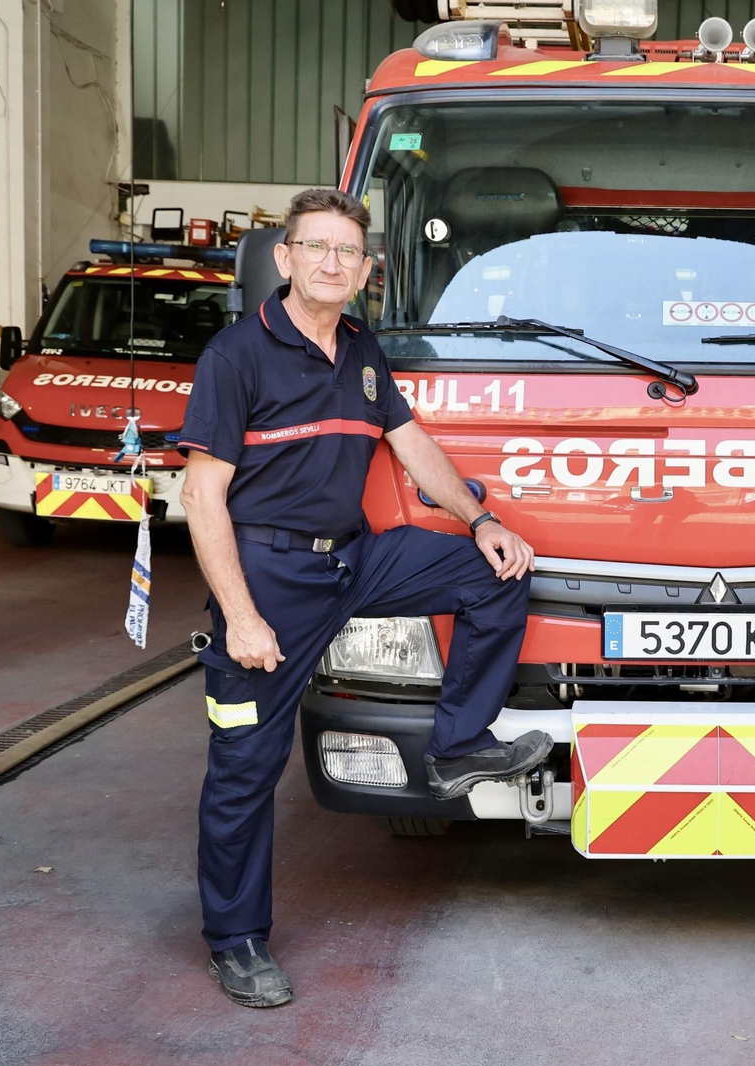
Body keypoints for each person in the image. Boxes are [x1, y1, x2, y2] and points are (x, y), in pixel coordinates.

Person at [177, 188, 548, 1008]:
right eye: (317, 248)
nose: (333, 263)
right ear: (284, 259)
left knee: (497, 574)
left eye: (348, 252)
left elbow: (413, 446)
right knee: (244, 767)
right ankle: (234, 939)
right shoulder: (236, 356)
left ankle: (455, 742)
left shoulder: (362, 349)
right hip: (268, 579)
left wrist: (483, 520)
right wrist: (240, 616)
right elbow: (202, 502)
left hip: (354, 561)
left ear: (366, 268)